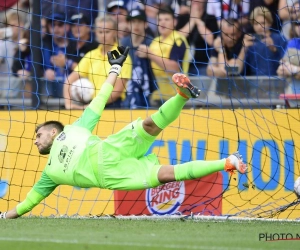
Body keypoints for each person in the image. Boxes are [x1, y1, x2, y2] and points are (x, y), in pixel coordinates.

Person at [0, 46, 247, 219]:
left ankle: (182, 95)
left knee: (150, 125)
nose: (35, 141)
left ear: (54, 132)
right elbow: (29, 202)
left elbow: (99, 101)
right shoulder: (48, 175)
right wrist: (5, 215)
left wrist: (115, 70)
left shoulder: (75, 128)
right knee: (167, 175)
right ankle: (228, 161)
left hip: (109, 147)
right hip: (112, 175)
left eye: (39, 135)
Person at [63, 16, 132, 109]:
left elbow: (117, 92)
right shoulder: (91, 55)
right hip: (92, 105)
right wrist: (68, 104)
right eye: (100, 32)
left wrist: (92, 105)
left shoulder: (122, 56)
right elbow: (69, 81)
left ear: (115, 32)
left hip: (114, 106)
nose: (103, 35)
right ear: (95, 33)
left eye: (107, 31)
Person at [136, 6, 190, 105]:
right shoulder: (155, 41)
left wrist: (150, 54)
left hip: (176, 95)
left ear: (174, 22)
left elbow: (173, 68)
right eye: (159, 20)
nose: (162, 22)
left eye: (166, 19)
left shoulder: (178, 40)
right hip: (157, 95)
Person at [120, 8, 156, 108]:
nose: (136, 25)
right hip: (126, 90)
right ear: (127, 24)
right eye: (133, 21)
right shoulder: (123, 43)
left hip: (149, 91)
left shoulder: (152, 43)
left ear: (145, 24)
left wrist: (150, 54)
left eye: (139, 21)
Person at [245, 6, 286, 76]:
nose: (259, 27)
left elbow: (286, 64)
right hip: (254, 82)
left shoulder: (280, 39)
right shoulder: (249, 40)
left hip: (276, 81)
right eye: (256, 24)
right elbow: (243, 70)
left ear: (269, 23)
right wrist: (244, 50)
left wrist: (274, 49)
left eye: (263, 23)